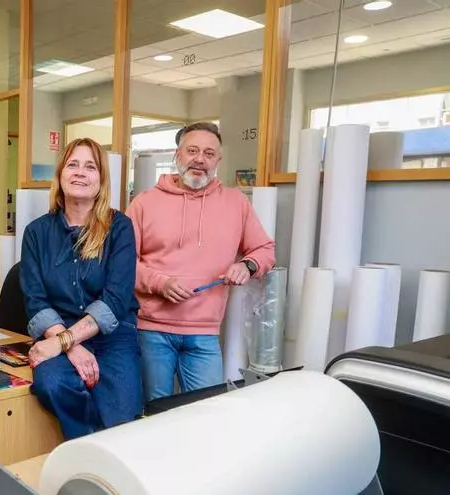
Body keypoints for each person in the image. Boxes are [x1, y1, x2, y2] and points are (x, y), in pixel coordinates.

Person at [126, 122, 275, 403]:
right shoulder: (144, 203)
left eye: (209, 153)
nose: (200, 159)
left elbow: (265, 249)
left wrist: (247, 265)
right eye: (192, 150)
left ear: (218, 161)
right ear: (177, 155)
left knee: (205, 414)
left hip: (205, 334)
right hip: (150, 331)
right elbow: (121, 264)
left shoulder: (236, 203)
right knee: (153, 414)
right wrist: (160, 284)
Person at [20, 137, 142, 440]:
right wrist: (68, 344)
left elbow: (115, 299)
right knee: (51, 384)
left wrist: (65, 342)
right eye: (72, 165)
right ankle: (85, 450)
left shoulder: (120, 228)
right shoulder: (36, 232)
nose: (80, 172)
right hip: (58, 332)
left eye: (90, 167)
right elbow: (35, 299)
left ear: (101, 180)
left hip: (114, 336)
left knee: (121, 421)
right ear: (60, 175)